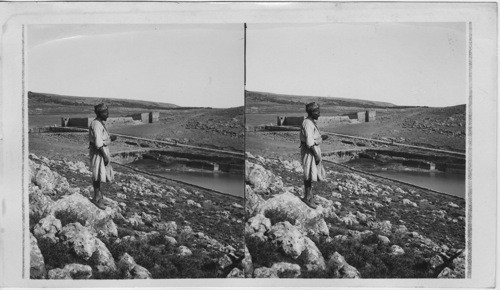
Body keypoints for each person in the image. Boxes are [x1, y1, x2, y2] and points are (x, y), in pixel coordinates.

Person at [300, 102, 328, 209]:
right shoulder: (307, 123)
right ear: (312, 112)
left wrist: (321, 138)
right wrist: (316, 155)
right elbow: (309, 142)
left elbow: (313, 137)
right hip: (309, 151)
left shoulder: (311, 122)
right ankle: (307, 198)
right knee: (308, 173)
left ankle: (310, 196)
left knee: (312, 174)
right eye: (317, 112)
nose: (319, 114)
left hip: (313, 149)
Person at [89, 103, 114, 210]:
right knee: (97, 174)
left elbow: (103, 139)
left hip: (102, 150)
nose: (108, 114)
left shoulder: (100, 123)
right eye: (106, 112)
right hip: (99, 152)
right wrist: (104, 156)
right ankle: (96, 198)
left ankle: (99, 197)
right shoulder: (96, 124)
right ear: (101, 113)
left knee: (100, 174)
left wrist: (110, 139)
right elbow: (98, 143)